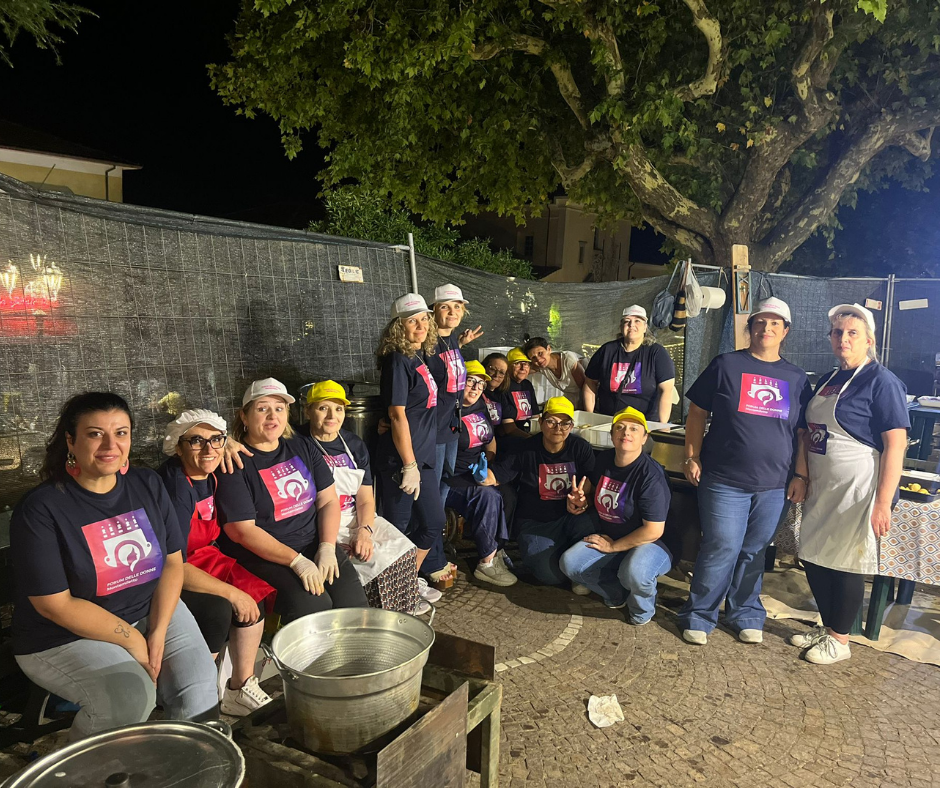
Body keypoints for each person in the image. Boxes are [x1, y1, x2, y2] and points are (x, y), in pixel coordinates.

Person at [11, 392, 218, 740]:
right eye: (95, 434)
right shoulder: (41, 509)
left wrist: (158, 631)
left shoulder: (146, 483)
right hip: (63, 635)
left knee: (199, 694)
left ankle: (181, 763)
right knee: (129, 699)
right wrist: (134, 640)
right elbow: (54, 604)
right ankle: (80, 768)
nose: (110, 445)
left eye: (121, 433)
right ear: (70, 441)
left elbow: (172, 564)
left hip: (149, 608)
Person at [679, 297, 812, 646]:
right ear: (750, 328)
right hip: (723, 480)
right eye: (760, 322)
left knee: (755, 550)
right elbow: (697, 413)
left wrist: (800, 475)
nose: (766, 328)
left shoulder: (797, 378)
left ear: (785, 331)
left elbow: (802, 433)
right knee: (721, 545)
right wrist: (692, 456)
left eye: (774, 323)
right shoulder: (726, 365)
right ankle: (699, 614)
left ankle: (745, 613)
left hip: (775, 484)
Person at [789, 303, 909, 665]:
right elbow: (807, 432)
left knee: (845, 561)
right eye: (838, 332)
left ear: (868, 340)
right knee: (814, 555)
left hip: (858, 488)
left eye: (852, 333)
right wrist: (802, 475)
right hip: (822, 485)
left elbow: (896, 444)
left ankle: (840, 640)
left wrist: (883, 502)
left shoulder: (881, 381)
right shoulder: (829, 378)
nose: (844, 338)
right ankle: (829, 627)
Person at [214, 378, 368, 625]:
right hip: (267, 556)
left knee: (354, 609)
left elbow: (328, 501)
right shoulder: (235, 462)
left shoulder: (300, 445)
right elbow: (241, 531)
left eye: (279, 408)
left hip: (313, 543)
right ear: (244, 416)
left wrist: (327, 547)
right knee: (315, 607)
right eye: (262, 408)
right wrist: (296, 561)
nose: (272, 416)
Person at [158, 409, 274, 717]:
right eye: (196, 441)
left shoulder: (211, 469)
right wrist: (231, 593)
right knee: (218, 610)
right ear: (178, 446)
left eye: (215, 440)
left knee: (254, 595)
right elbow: (173, 563)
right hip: (173, 568)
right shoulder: (175, 488)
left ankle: (240, 687)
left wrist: (228, 442)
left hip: (205, 554)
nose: (208, 449)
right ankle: (200, 692)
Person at [300, 380, 426, 614]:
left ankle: (400, 616)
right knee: (375, 563)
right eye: (323, 408)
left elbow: (366, 499)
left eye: (338, 409)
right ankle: (370, 619)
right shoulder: (296, 443)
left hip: (357, 516)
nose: (332, 416)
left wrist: (364, 531)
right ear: (308, 411)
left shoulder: (354, 445)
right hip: (322, 524)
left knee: (405, 552)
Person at [559, 407, 672, 622]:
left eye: (634, 429)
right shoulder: (605, 459)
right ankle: (615, 593)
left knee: (634, 572)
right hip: (613, 535)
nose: (626, 432)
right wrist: (582, 500)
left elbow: (653, 530)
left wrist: (612, 547)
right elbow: (594, 490)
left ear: (645, 438)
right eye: (619, 427)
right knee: (570, 563)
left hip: (653, 542)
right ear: (611, 435)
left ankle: (642, 611)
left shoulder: (651, 476)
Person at [375, 293, 453, 589]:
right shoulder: (397, 360)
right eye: (412, 321)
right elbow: (397, 414)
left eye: (424, 319)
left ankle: (406, 581)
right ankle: (392, 589)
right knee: (397, 530)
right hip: (402, 460)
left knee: (434, 522)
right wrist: (409, 464)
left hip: (424, 458)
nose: (420, 326)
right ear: (399, 326)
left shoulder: (420, 355)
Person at [500, 397, 596, 584]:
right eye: (551, 421)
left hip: (571, 518)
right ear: (541, 422)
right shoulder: (525, 449)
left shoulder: (580, 447)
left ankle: (575, 564)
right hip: (535, 522)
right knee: (549, 575)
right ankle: (575, 568)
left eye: (565, 423)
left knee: (593, 525)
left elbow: (591, 480)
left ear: (571, 426)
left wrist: (583, 499)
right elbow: (498, 475)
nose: (558, 428)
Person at [445, 361, 518, 586]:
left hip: (475, 472)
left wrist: (489, 465)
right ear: (459, 382)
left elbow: (490, 438)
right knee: (488, 496)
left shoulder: (480, 405)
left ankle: (497, 550)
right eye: (471, 381)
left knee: (507, 493)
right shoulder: (448, 410)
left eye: (481, 383)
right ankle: (486, 563)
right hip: (452, 477)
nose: (476, 387)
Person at [584, 305, 676, 422]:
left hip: (645, 424)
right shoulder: (607, 350)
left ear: (645, 327)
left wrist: (662, 426)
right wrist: (590, 417)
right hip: (609, 422)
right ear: (621, 326)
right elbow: (590, 383)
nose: (631, 325)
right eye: (627, 321)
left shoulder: (657, 353)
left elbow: (667, 390)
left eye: (637, 321)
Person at [524, 337, 586, 408]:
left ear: (549, 349)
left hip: (587, 401)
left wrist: (586, 412)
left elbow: (586, 389)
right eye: (533, 357)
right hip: (570, 402)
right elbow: (521, 371)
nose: (539, 360)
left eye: (540, 353)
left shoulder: (568, 360)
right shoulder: (540, 366)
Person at [498, 347, 540, 446]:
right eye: (517, 363)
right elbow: (509, 429)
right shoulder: (503, 386)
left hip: (527, 433)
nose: (523, 367)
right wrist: (532, 440)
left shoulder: (527, 385)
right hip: (508, 440)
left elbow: (535, 417)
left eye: (526, 364)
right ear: (508, 366)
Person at [482, 352, 510, 427]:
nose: (496, 375)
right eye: (492, 369)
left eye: (501, 372)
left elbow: (508, 426)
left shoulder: (501, 396)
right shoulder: (475, 392)